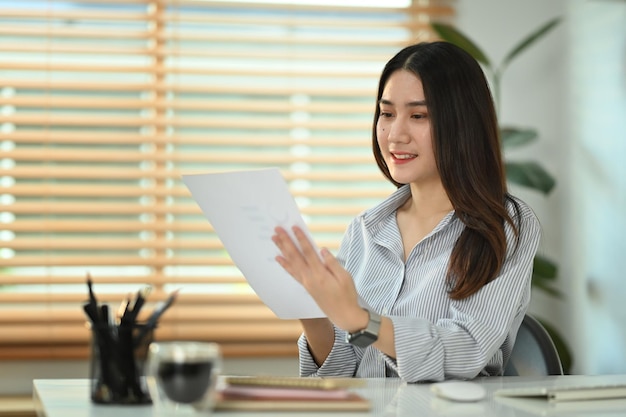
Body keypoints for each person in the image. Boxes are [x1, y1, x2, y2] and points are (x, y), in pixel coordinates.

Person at [271, 41, 541, 382]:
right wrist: (308, 306)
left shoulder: (506, 226)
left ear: (462, 124)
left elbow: (466, 349)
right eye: (386, 114)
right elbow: (342, 371)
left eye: (418, 116)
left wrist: (361, 320)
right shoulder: (365, 231)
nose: (395, 134)